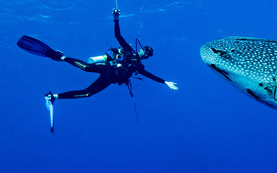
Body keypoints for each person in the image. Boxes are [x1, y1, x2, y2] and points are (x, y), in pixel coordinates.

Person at [18, 9, 177, 107]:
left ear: (147, 57)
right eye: (145, 50)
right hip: (108, 68)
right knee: (85, 67)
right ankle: (60, 56)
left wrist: (165, 82)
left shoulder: (139, 67)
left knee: (87, 94)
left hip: (110, 79)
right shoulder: (128, 51)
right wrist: (116, 19)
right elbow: (118, 35)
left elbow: (150, 76)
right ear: (141, 49)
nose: (145, 53)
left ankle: (53, 97)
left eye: (148, 54)